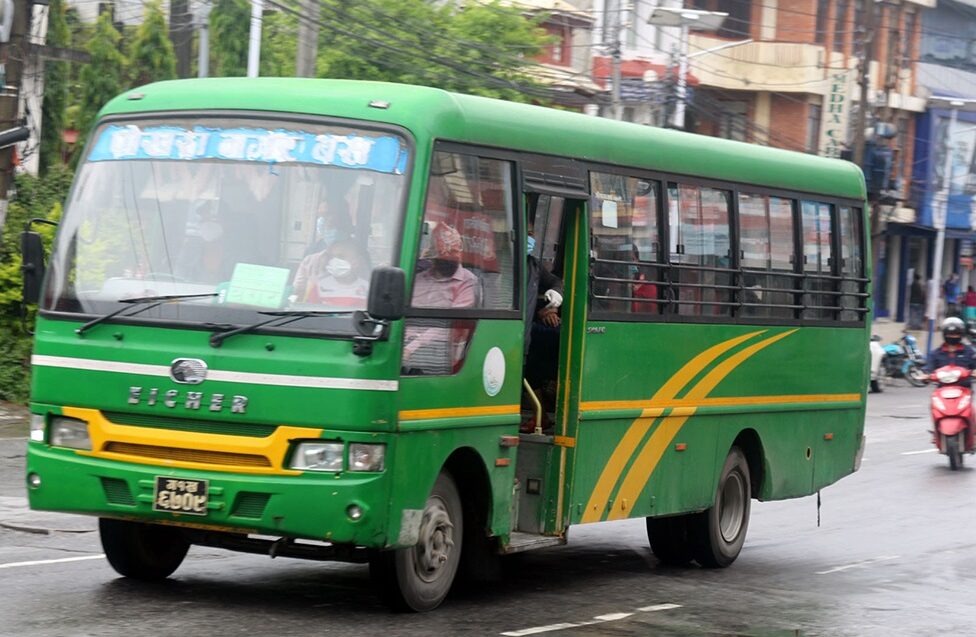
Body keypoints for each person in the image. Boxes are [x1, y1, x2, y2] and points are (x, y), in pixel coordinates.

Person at [402, 224, 479, 372]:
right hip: (402, 344)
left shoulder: (468, 282)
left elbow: (448, 324)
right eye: (443, 259)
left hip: (436, 353)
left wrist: (411, 348)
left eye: (451, 259)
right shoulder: (418, 279)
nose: (447, 263)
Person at [294, 240, 369, 308]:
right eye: (332, 257)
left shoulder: (368, 289)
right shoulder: (319, 287)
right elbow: (310, 315)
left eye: (341, 257)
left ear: (356, 261)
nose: (334, 260)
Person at [925, 317, 976, 385]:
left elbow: (974, 367)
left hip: (964, 389)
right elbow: (928, 370)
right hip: (942, 390)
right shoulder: (935, 354)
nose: (953, 337)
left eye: (956, 334)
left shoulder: (969, 352)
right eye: (950, 334)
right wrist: (925, 376)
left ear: (961, 335)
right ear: (944, 334)